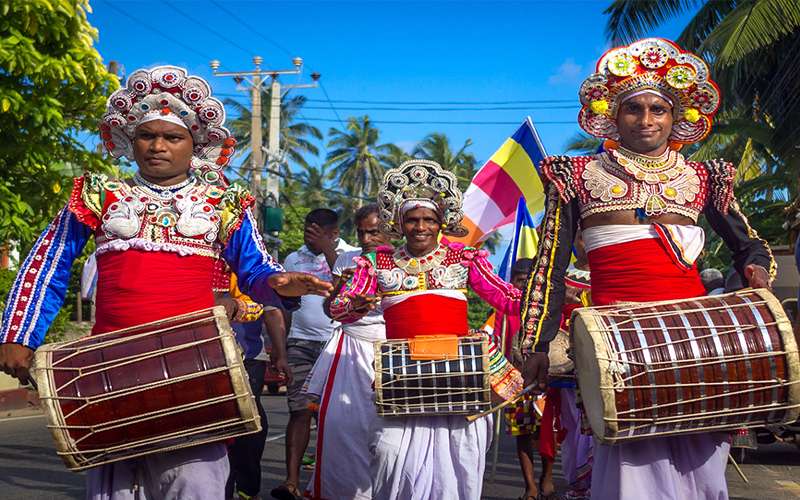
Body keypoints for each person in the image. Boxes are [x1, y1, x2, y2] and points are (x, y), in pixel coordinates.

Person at [0, 65, 331, 500]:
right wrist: (18, 335)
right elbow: (49, 260)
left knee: (194, 485)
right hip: (110, 369)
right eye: (147, 135)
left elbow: (256, 271)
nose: (158, 146)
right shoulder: (99, 194)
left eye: (172, 137)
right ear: (131, 140)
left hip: (196, 372)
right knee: (116, 489)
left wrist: (281, 283)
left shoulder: (222, 203)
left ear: (194, 144)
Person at [518, 38, 774, 500]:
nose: (647, 120)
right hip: (617, 339)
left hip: (692, 337)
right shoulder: (577, 177)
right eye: (633, 109)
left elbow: (749, 245)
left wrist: (755, 273)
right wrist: (535, 341)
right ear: (612, 117)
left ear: (677, 118)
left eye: (659, 109)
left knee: (701, 458)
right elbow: (549, 265)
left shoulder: (702, 180)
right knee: (630, 463)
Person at [329, 159, 524, 500]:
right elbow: (339, 308)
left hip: (457, 377)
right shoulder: (375, 262)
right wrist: (354, 304)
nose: (421, 227)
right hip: (403, 379)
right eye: (413, 219)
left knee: (461, 459)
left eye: (429, 219)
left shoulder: (465, 258)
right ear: (399, 223)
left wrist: (552, 291)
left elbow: (509, 300)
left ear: (441, 223)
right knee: (390, 457)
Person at [304, 203, 392, 500]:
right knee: (340, 426)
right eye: (362, 232)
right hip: (349, 349)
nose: (367, 239)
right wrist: (344, 298)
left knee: (386, 434)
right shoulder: (346, 260)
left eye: (375, 232)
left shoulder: (404, 262)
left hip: (389, 352)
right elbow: (331, 310)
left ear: (391, 230)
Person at [272, 208, 357, 500]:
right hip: (300, 342)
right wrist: (280, 350)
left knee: (333, 416)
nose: (311, 233)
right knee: (298, 411)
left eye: (318, 230)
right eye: (309, 228)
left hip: (337, 343)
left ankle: (326, 482)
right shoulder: (293, 258)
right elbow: (282, 305)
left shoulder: (349, 254)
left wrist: (327, 249)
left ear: (334, 232)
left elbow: (345, 289)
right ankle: (292, 482)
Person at [218, 273, 292, 500]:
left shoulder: (253, 267)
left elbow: (271, 312)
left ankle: (247, 488)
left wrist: (280, 354)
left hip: (249, 355)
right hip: (210, 356)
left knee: (251, 418)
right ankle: (221, 487)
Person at [502, 258, 554, 500]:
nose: (523, 288)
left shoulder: (545, 312)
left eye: (528, 282)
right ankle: (530, 485)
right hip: (516, 382)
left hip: (545, 381)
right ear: (511, 282)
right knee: (521, 433)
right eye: (519, 281)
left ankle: (548, 477)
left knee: (546, 433)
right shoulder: (503, 311)